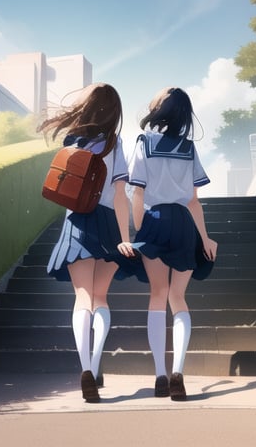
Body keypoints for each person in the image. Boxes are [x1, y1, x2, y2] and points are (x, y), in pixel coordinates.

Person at [39, 83, 138, 404]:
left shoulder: (71, 142)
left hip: (77, 222)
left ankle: (83, 367)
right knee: (100, 297)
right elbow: (121, 193)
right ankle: (95, 366)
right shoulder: (115, 144)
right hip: (108, 223)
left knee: (82, 296)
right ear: (114, 111)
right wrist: (126, 238)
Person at [127, 86, 217, 402]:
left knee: (157, 295)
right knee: (178, 297)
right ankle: (179, 371)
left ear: (162, 107)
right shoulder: (189, 148)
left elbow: (137, 192)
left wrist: (140, 234)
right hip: (184, 224)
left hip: (154, 220)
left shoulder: (144, 143)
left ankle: (160, 375)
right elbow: (194, 201)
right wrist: (205, 238)